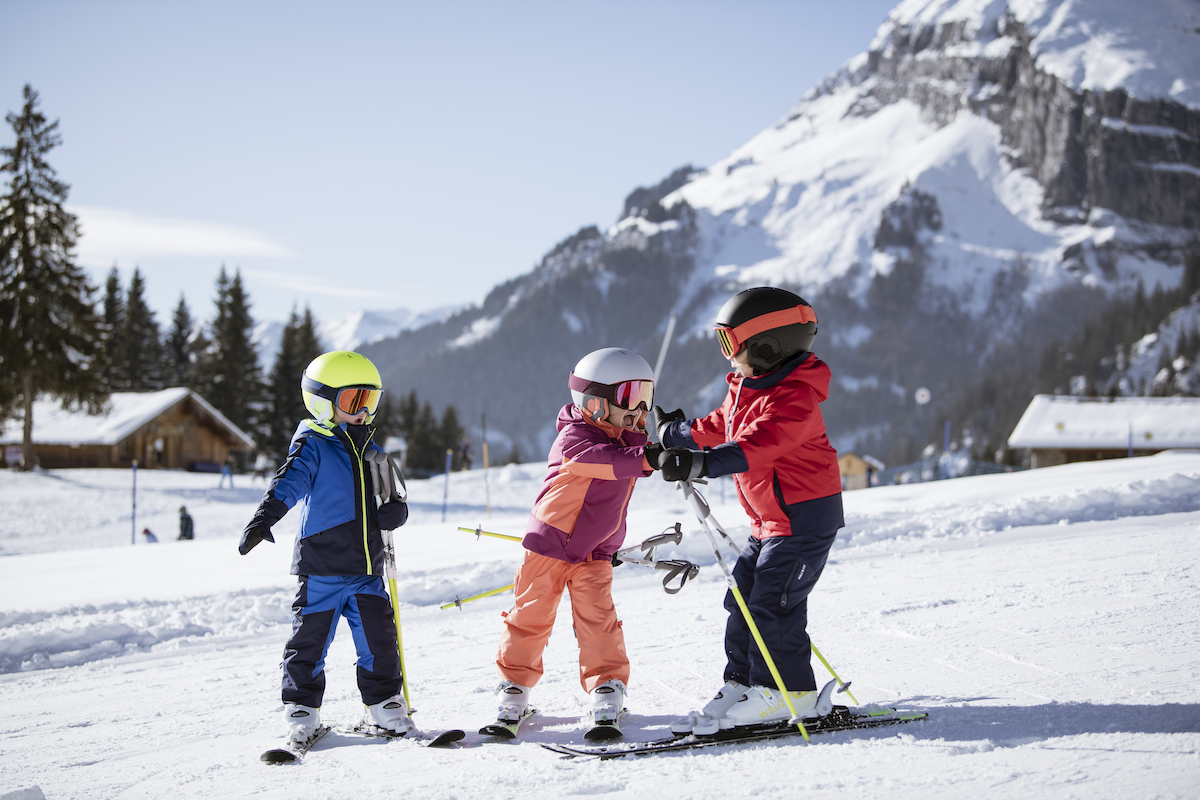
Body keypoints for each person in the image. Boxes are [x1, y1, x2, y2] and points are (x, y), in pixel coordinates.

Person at [656, 287, 844, 734]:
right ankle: (745, 683)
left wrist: (704, 463)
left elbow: (756, 445)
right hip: (770, 522)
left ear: (767, 346)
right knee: (741, 596)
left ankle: (787, 692)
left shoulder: (794, 399)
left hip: (802, 521)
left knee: (773, 604)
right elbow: (720, 425)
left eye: (730, 345)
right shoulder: (747, 387)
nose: (727, 358)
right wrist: (677, 435)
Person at [237, 351, 411, 746]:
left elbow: (391, 495)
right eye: (354, 401)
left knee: (380, 640)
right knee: (309, 642)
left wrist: (396, 512)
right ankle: (302, 711)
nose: (364, 411)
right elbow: (288, 483)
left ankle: (386, 705)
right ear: (321, 402)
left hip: (368, 569)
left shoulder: (370, 448)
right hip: (322, 569)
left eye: (371, 401)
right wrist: (264, 518)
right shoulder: (313, 445)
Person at [492, 347, 663, 734]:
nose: (639, 409)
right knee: (531, 617)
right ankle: (515, 686)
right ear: (594, 402)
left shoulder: (628, 441)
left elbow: (627, 466)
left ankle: (606, 684)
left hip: (594, 552)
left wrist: (669, 448)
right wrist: (650, 457)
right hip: (550, 545)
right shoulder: (576, 439)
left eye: (646, 397)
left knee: (598, 620)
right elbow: (606, 461)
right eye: (629, 397)